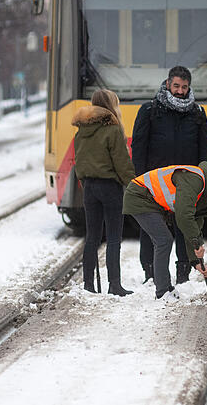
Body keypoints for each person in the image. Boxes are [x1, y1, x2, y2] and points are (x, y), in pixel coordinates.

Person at [131, 65, 207, 285]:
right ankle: (150, 274)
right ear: (168, 84)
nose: (180, 91)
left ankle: (182, 273)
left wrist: (203, 179)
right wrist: (140, 180)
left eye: (184, 87)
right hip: (154, 183)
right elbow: (138, 148)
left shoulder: (198, 114)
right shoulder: (149, 110)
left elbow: (205, 151)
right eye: (176, 86)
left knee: (183, 227)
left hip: (185, 183)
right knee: (152, 229)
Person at [123, 161, 207, 299]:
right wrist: (196, 243)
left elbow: (192, 227)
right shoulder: (195, 180)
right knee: (163, 241)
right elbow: (184, 217)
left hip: (151, 201)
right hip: (140, 195)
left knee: (164, 240)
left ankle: (166, 288)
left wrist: (196, 260)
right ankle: (162, 292)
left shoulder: (204, 193)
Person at [72, 89, 136, 296]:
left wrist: (85, 181)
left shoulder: (81, 130)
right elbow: (122, 162)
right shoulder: (113, 129)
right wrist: (132, 184)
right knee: (114, 236)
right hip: (109, 188)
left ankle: (88, 284)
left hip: (89, 188)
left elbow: (78, 161)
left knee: (92, 236)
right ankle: (114, 285)